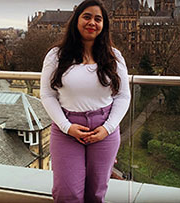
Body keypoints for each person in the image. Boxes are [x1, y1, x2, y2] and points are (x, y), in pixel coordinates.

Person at [40, 0, 131, 202]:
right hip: (67, 129)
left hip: (104, 129)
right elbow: (47, 95)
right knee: (67, 193)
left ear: (103, 26)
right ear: (76, 20)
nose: (92, 22)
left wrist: (107, 128)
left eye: (98, 19)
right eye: (87, 17)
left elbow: (123, 96)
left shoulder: (114, 56)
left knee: (96, 194)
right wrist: (66, 126)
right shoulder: (56, 55)